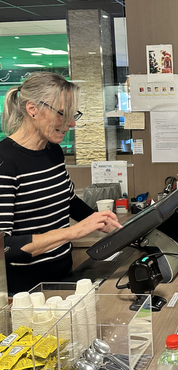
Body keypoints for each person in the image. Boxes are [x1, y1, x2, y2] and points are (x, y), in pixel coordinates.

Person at [0, 72, 122, 294]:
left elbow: (68, 200)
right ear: (32, 109)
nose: (72, 123)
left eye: (74, 115)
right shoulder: (5, 163)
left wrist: (106, 223)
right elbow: (5, 248)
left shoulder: (52, 152)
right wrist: (73, 232)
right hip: (24, 294)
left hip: (63, 279)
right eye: (62, 114)